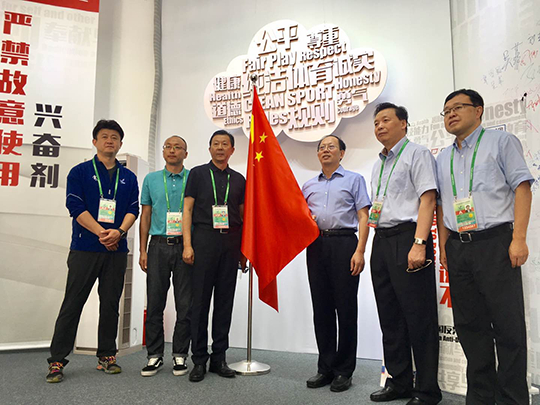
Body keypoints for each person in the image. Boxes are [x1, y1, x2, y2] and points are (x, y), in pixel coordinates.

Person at [436, 89, 533, 405]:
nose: (451, 114)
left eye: (458, 107)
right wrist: (444, 247)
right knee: (469, 326)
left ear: (478, 110)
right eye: (447, 110)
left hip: (495, 243)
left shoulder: (501, 142)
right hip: (458, 247)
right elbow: (442, 205)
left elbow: (522, 188)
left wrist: (519, 238)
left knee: (507, 326)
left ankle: (512, 399)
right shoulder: (443, 158)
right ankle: (480, 396)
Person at [46, 120, 139, 383]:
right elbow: (75, 207)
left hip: (116, 250)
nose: (110, 141)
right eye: (104, 136)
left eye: (114, 137)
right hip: (85, 249)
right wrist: (102, 233)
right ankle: (57, 360)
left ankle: (107, 356)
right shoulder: (80, 172)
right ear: (95, 141)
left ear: (120, 143)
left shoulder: (129, 177)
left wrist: (119, 232)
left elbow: (133, 209)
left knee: (110, 305)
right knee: (73, 303)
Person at [368, 103, 442, 404]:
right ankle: (398, 382)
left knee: (419, 317)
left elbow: (428, 199)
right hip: (381, 241)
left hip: (409, 238)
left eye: (385, 120)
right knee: (390, 316)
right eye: (376, 123)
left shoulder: (417, 154)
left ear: (403, 123)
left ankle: (427, 390)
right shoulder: (378, 164)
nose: (379, 126)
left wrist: (420, 242)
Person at [302, 135, 370, 392]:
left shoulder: (354, 180)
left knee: (346, 308)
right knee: (321, 308)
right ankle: (325, 368)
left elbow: (363, 216)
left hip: (345, 244)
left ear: (342, 153)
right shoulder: (308, 185)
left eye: (331, 146)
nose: (326, 150)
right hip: (316, 246)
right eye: (322, 147)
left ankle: (344, 370)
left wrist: (360, 250)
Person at [182, 130, 245, 382]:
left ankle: (219, 358)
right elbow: (187, 210)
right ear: (209, 149)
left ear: (232, 150)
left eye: (225, 144)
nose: (220, 147)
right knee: (199, 303)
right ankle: (199, 359)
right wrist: (188, 245)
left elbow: (244, 217)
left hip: (230, 242)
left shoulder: (238, 179)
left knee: (224, 303)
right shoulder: (197, 174)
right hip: (204, 240)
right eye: (216, 144)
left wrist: (243, 251)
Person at [139, 136, 192, 377]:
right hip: (158, 246)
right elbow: (146, 215)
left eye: (178, 147)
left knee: (185, 304)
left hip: (185, 247)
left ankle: (180, 354)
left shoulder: (193, 178)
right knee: (155, 302)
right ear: (163, 152)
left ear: (185, 154)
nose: (172, 150)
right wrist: (143, 250)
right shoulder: (151, 180)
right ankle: (154, 355)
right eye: (168, 147)